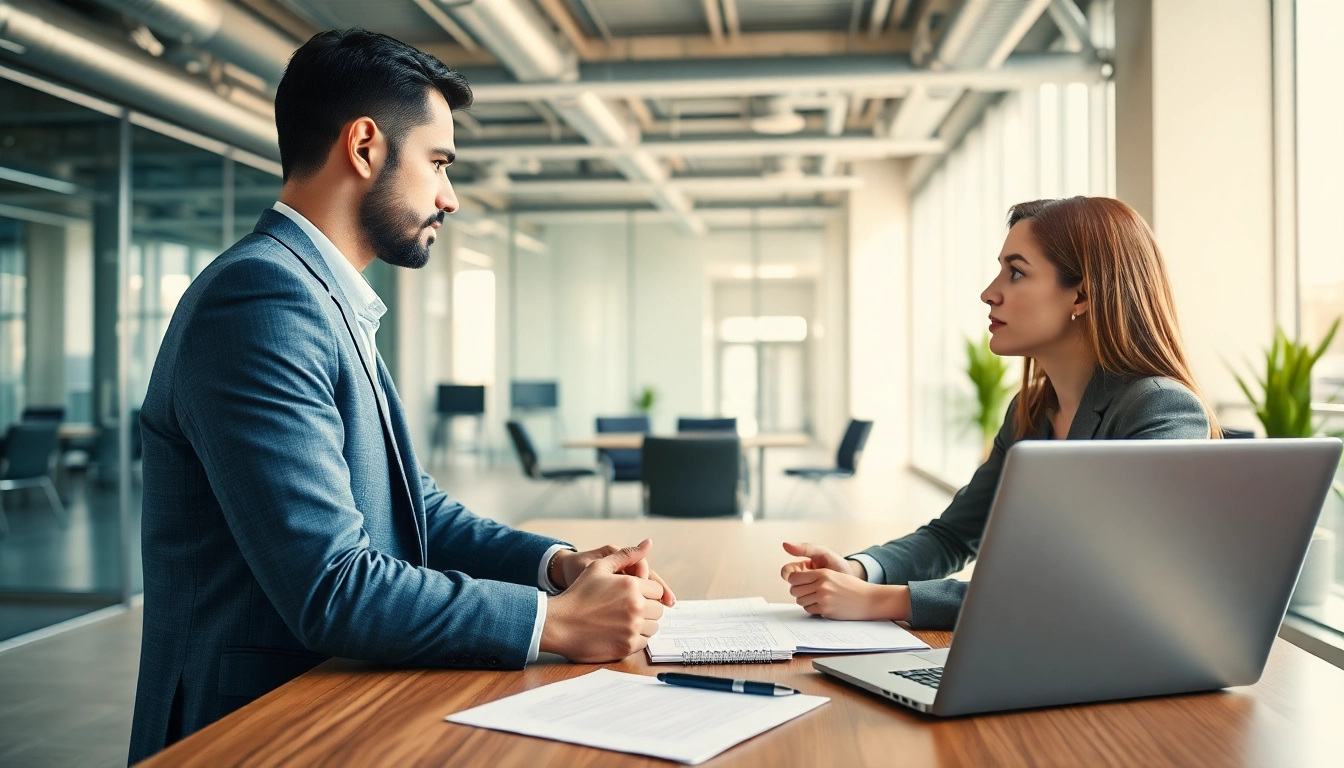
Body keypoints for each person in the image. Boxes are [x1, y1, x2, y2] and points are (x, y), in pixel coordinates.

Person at [129, 30, 675, 762]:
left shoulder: (319, 298)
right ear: (364, 146)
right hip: (253, 730)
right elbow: (332, 585)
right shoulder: (260, 300)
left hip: (331, 704)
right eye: (439, 163)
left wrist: (558, 567)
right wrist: (555, 623)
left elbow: (415, 512)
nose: (449, 197)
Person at [780, 196, 1218, 630]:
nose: (990, 293)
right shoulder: (1030, 410)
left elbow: (1091, 586)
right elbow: (954, 535)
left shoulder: (1160, 408)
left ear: (1082, 294)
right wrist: (858, 571)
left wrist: (884, 601)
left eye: (1016, 272)